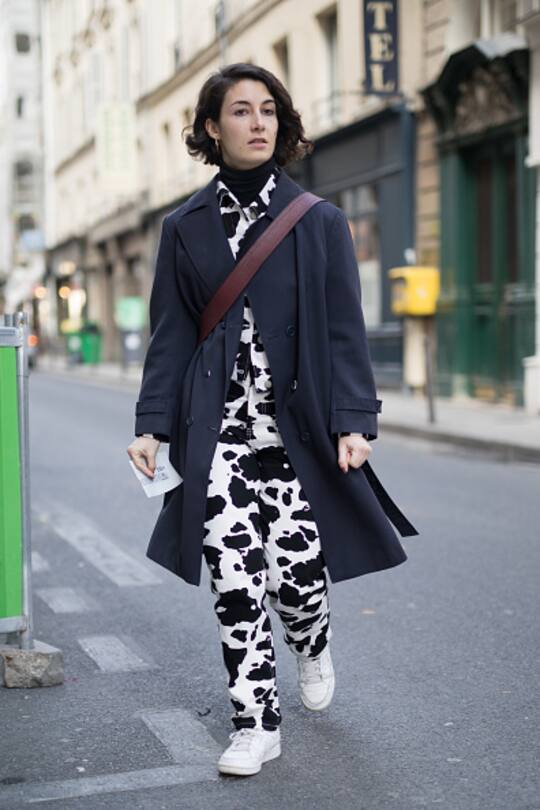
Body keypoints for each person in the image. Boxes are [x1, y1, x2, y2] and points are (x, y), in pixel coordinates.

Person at [127, 63, 417, 778]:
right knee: (234, 579)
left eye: (268, 111)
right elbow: (171, 335)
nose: (257, 122)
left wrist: (355, 420)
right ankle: (254, 723)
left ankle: (311, 642)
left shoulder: (319, 221)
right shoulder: (183, 228)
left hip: (298, 434)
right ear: (210, 128)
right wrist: (152, 425)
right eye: (240, 111)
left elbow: (346, 330)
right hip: (217, 437)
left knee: (297, 578)